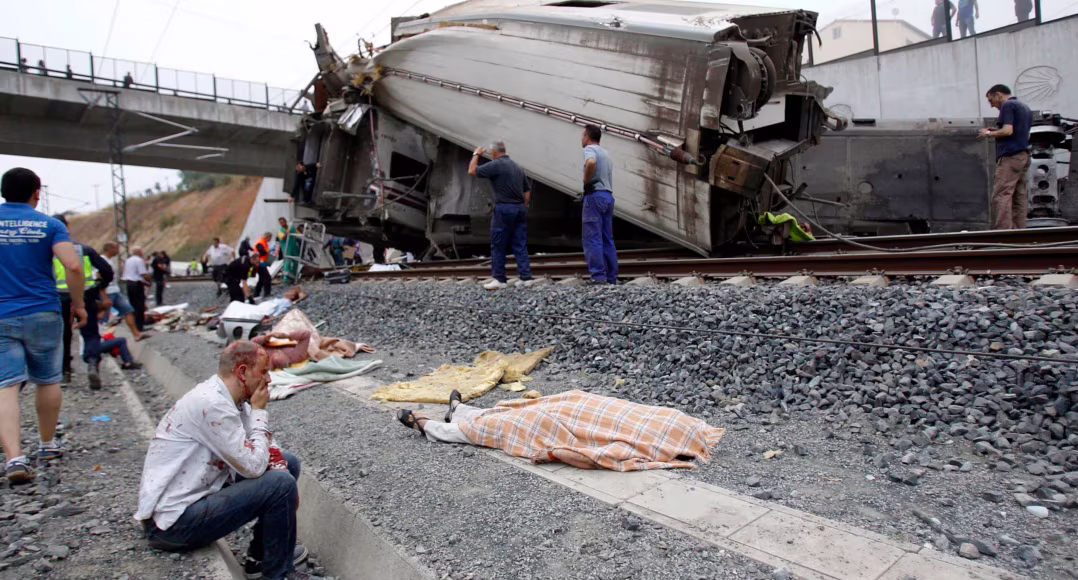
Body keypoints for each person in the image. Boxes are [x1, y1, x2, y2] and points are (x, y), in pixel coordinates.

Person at [135, 341, 315, 580]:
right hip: (172, 524)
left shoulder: (231, 398)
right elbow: (252, 467)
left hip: (196, 498)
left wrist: (281, 466)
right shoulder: (212, 405)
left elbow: (269, 451)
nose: (268, 380)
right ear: (242, 372)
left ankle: (260, 560)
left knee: (288, 464)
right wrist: (260, 412)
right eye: (263, 372)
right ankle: (278, 575)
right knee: (280, 485)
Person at [0, 168, 87, 484]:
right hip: (43, 312)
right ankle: (48, 445)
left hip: (1, 315)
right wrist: (78, 305)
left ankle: (15, 458)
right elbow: (73, 266)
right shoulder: (50, 225)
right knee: (48, 379)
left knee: (6, 385)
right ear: (37, 193)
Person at [396, 389, 726, 471]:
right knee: (526, 414)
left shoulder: (675, 421)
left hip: (573, 417)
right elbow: (598, 457)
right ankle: (463, 413)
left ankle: (436, 427)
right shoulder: (658, 437)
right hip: (584, 409)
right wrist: (554, 452)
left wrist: (552, 452)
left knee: (519, 420)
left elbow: (591, 456)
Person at [51, 214, 114, 388]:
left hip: (59, 298)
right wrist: (98, 287)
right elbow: (107, 270)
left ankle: (64, 372)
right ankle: (93, 363)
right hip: (85, 295)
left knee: (63, 335)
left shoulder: (48, 250)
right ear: (67, 227)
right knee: (91, 333)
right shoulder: (84, 249)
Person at [468, 141, 533, 290]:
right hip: (519, 208)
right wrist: (523, 205)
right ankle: (526, 278)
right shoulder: (517, 167)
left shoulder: (496, 165)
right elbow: (527, 190)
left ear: (493, 152)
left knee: (498, 244)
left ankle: (499, 279)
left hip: (504, 208)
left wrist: (476, 154)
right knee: (520, 244)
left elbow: (472, 170)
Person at [980, 84, 1033, 230]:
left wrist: (989, 134)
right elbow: (1024, 134)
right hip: (1023, 156)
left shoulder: (1007, 106)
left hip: (1010, 156)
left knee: (1001, 195)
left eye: (991, 100)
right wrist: (998, 130)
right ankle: (1020, 232)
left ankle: (1001, 234)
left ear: (998, 94)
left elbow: (1008, 131)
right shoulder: (1025, 108)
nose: (992, 105)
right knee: (1019, 196)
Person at [580, 124, 618, 285]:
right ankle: (611, 277)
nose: (581, 138)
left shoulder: (590, 150)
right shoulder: (606, 154)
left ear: (587, 137)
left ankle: (598, 276)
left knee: (592, 237)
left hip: (595, 196)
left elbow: (590, 163)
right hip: (608, 197)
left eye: (582, 135)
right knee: (607, 238)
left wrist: (586, 181)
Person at [101, 242, 146, 341]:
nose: (118, 251)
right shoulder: (102, 261)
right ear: (110, 249)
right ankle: (99, 340)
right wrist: (104, 296)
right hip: (108, 292)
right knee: (103, 317)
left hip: (115, 290)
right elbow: (98, 278)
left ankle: (136, 334)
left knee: (128, 310)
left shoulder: (109, 261)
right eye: (116, 249)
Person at [123, 247, 152, 332]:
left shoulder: (128, 260)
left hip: (129, 284)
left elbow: (130, 274)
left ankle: (134, 325)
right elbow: (143, 274)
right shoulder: (139, 260)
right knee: (140, 305)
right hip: (136, 285)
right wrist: (149, 281)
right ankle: (140, 326)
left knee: (133, 305)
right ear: (139, 252)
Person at [254, 232, 273, 299]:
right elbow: (261, 252)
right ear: (268, 237)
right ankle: (267, 293)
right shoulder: (260, 242)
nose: (270, 240)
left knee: (261, 279)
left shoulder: (263, 242)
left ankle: (256, 293)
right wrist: (268, 251)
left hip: (261, 262)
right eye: (270, 238)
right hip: (260, 263)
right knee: (267, 278)